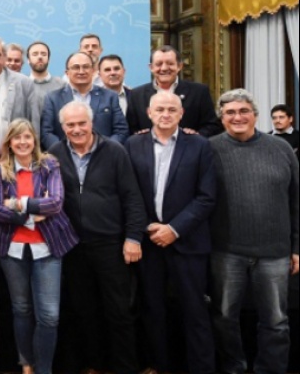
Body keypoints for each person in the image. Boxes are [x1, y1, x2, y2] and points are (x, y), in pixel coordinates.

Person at [48, 102, 145, 374]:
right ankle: (94, 364)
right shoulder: (54, 155)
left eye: (82, 123)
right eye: (70, 125)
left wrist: (133, 237)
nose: (77, 129)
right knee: (83, 310)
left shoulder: (114, 151)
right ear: (62, 127)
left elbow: (132, 198)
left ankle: (125, 367)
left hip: (111, 244)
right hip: (72, 246)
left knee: (119, 311)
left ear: (92, 123)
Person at [125, 92, 217, 374]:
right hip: (149, 241)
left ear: (181, 113)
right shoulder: (133, 144)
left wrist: (174, 229)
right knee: (153, 310)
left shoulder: (200, 145)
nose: (165, 114)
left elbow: (207, 197)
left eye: (171, 109)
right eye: (160, 109)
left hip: (188, 241)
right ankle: (159, 366)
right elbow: (128, 192)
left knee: (195, 311)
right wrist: (147, 226)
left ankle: (201, 368)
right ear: (149, 113)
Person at [208, 89, 298, 374]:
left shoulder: (281, 149)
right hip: (226, 252)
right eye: (230, 112)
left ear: (255, 115)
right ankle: (234, 367)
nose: (238, 117)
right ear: (222, 118)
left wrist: (297, 246)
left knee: (276, 321)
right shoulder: (208, 150)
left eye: (243, 111)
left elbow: (296, 200)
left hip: (275, 253)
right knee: (224, 318)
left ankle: (270, 369)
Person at [0, 119, 78, 374]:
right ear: (9, 143)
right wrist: (31, 216)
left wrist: (18, 203)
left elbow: (56, 203)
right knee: (21, 309)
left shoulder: (49, 164)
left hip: (47, 248)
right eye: (17, 138)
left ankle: (44, 369)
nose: (22, 142)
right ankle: (26, 364)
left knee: (49, 315)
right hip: (13, 250)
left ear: (34, 140)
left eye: (27, 137)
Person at [40, 52, 128, 150]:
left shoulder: (110, 96)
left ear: (93, 70)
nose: (81, 71)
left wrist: (105, 151)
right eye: (76, 67)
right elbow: (46, 133)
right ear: (67, 73)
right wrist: (63, 153)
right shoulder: (53, 98)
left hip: (104, 155)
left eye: (86, 67)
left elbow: (121, 131)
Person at [126, 46, 221, 136]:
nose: (164, 68)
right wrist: (141, 137)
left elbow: (212, 125)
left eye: (170, 64)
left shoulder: (199, 92)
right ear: (151, 67)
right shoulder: (136, 95)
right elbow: (131, 129)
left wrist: (196, 137)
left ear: (179, 66)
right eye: (159, 64)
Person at [26, 41, 66, 107]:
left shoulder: (61, 85)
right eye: (35, 54)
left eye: (43, 54)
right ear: (28, 60)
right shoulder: (22, 85)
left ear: (48, 59)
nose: (40, 57)